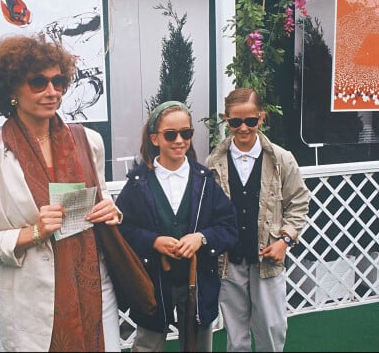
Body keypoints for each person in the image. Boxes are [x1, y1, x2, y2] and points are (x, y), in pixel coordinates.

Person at [0, 33, 124, 352]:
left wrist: (111, 211)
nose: (52, 92)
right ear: (10, 90)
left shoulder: (88, 141)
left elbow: (102, 197)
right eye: (38, 82)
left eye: (59, 81)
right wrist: (34, 232)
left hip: (94, 290)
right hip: (34, 307)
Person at [115, 101, 239, 352]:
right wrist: (153, 241)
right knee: (148, 345)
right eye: (171, 134)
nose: (179, 140)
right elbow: (123, 230)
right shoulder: (138, 183)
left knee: (198, 347)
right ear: (154, 138)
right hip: (152, 283)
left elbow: (229, 227)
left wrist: (201, 238)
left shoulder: (204, 181)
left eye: (187, 133)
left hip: (198, 282)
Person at [205, 88, 310, 352]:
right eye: (235, 122)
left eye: (250, 121)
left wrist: (284, 240)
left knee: (271, 330)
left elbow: (298, 202)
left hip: (267, 258)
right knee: (235, 335)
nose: (243, 128)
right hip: (229, 261)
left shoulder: (281, 159)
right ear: (225, 120)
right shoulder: (213, 162)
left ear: (261, 118)